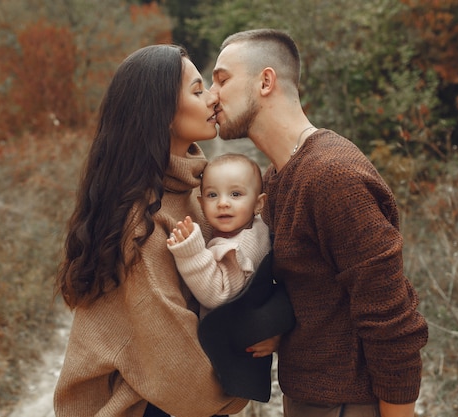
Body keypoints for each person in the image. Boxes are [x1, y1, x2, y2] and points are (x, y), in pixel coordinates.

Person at [209, 29, 429, 417]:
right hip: (310, 397)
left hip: (349, 402)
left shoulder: (332, 176)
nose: (212, 95)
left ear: (265, 81)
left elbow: (391, 318)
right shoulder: (278, 177)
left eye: (222, 79)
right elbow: (310, 286)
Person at [52, 45, 248, 417]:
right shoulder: (141, 220)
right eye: (196, 90)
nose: (212, 99)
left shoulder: (192, 189)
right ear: (162, 114)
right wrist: (242, 385)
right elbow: (180, 370)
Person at [166, 153, 269, 317]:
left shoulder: (237, 249)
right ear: (201, 204)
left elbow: (215, 295)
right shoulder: (258, 228)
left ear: (258, 204)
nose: (222, 203)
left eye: (235, 194)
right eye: (212, 195)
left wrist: (191, 252)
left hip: (230, 337)